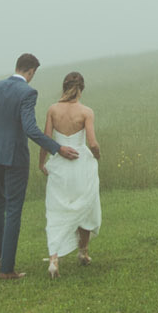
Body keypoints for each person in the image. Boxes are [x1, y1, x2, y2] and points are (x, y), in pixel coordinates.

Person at [0, 53, 78, 279]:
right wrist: (57, 149)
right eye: (33, 74)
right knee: (14, 209)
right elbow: (30, 128)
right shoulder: (27, 92)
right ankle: (7, 269)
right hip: (14, 157)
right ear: (30, 71)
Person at [38, 71, 101, 278]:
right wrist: (97, 155)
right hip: (80, 163)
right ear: (80, 89)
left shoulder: (53, 110)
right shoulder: (86, 112)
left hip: (59, 164)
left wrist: (42, 163)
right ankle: (83, 252)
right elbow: (92, 143)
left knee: (57, 209)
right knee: (84, 206)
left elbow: (46, 139)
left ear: (64, 87)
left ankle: (54, 258)